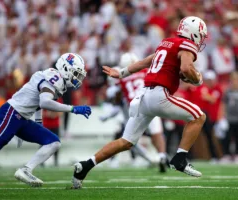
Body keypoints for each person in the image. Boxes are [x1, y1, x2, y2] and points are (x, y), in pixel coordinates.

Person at [71, 16, 208, 189]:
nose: (201, 39)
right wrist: (198, 79)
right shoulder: (186, 45)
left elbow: (145, 62)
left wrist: (121, 73)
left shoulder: (166, 42)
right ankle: (180, 158)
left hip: (143, 97)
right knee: (199, 116)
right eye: (201, 35)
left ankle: (85, 166)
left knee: (126, 141)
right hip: (159, 95)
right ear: (193, 33)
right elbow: (186, 68)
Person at [0, 53, 92, 187]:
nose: (77, 78)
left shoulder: (57, 80)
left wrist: (38, 123)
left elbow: (40, 101)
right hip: (11, 113)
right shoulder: (55, 77)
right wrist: (73, 109)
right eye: (76, 73)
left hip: (21, 118)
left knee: (54, 142)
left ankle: (26, 170)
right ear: (65, 68)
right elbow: (44, 102)